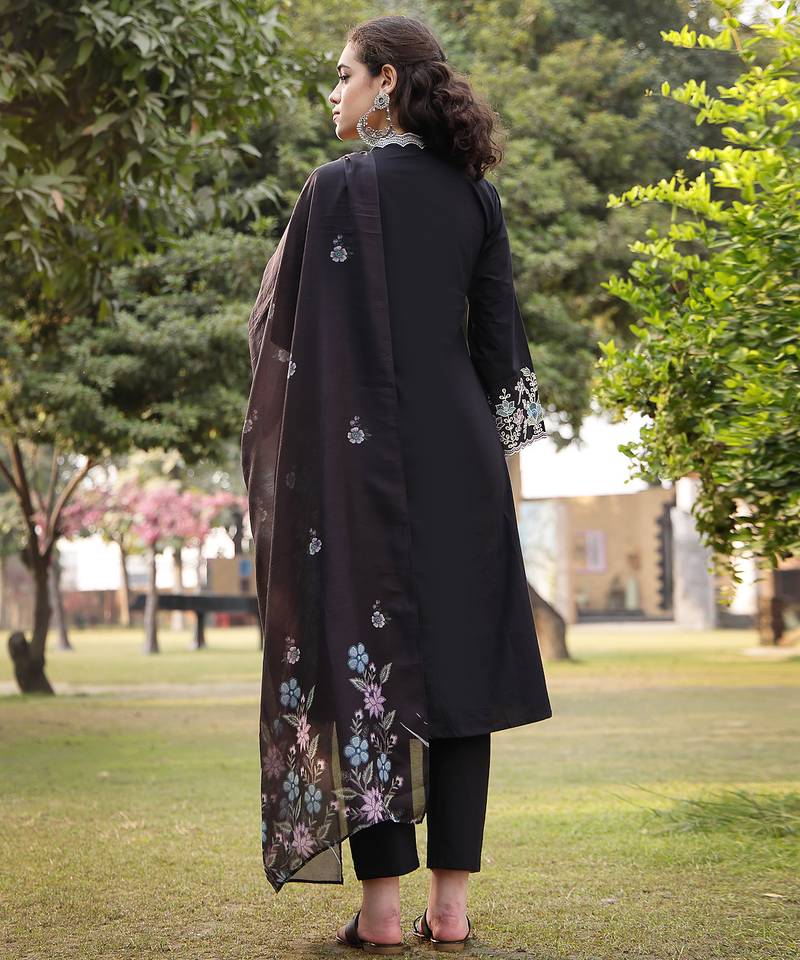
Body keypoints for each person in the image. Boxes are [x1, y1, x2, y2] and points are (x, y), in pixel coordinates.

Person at [240, 14, 552, 955]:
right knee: (459, 671)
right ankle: (449, 908)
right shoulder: (477, 198)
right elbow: (503, 357)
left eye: (343, 75)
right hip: (461, 459)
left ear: (385, 81)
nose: (333, 93)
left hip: (357, 465)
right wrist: (504, 486)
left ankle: (380, 912)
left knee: (361, 663)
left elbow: (278, 335)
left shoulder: (333, 190)